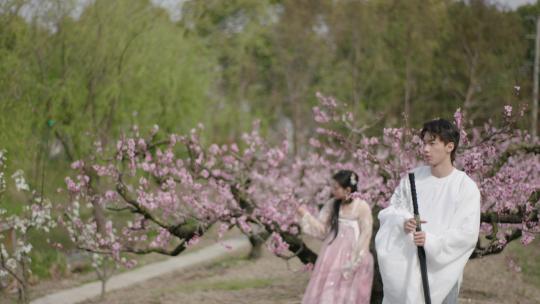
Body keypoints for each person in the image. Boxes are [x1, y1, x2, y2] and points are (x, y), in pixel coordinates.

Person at [375, 118, 481, 304]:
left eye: (432, 143)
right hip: (407, 272)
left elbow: (467, 234)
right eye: (424, 143)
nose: (425, 149)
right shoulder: (413, 179)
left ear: (450, 146)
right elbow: (391, 212)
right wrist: (402, 222)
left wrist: (431, 242)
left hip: (444, 276)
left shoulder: (465, 187)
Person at [297, 170, 374, 304]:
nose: (333, 191)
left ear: (348, 189)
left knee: (347, 291)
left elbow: (366, 233)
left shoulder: (361, 207)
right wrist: (306, 215)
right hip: (331, 254)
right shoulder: (332, 204)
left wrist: (356, 260)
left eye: (336, 188)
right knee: (328, 291)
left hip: (353, 254)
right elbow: (322, 230)